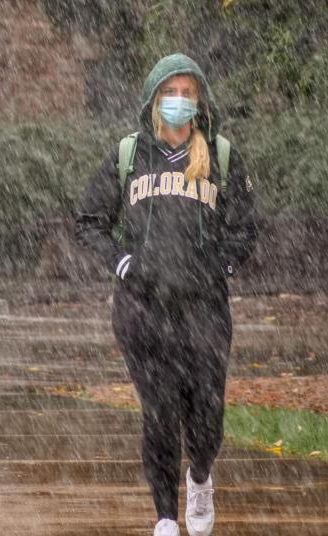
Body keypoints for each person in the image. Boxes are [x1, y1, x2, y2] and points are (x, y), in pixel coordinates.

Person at [74, 53, 257, 536]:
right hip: (142, 310)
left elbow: (245, 230)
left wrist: (219, 267)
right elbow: (89, 222)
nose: (178, 101)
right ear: (155, 98)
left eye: (187, 92)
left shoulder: (221, 156)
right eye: (169, 92)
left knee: (207, 417)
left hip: (203, 311)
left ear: (199, 101)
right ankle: (165, 518)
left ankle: (200, 475)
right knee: (159, 413)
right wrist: (123, 263)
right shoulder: (129, 154)